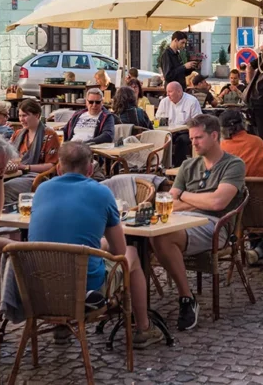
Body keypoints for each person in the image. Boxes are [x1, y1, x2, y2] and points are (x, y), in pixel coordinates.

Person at [24, 143, 162, 347]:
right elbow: (119, 251)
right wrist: (102, 245)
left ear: (59, 169)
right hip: (84, 287)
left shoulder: (42, 189)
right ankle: (143, 327)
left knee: (71, 250)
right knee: (132, 253)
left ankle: (62, 325)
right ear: (90, 169)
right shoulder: (101, 193)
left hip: (41, 285)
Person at [149, 114, 246, 331]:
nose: (193, 142)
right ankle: (137, 305)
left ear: (214, 136)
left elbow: (218, 203)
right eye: (192, 138)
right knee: (138, 237)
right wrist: (199, 200)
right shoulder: (188, 165)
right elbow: (170, 201)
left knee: (161, 237)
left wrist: (185, 196)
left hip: (216, 226)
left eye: (198, 138)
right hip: (180, 220)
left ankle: (186, 298)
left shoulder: (234, 165)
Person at [218, 109, 263, 266]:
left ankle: (255, 251)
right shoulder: (256, 141)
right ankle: (260, 251)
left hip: (241, 214)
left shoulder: (221, 150)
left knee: (252, 202)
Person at [5, 98, 60, 205]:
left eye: (25, 115)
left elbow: (52, 165)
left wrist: (25, 167)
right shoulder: (18, 133)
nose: (21, 119)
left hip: (37, 177)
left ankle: (9, 215)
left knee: (6, 188)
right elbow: (8, 155)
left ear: (37, 115)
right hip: (15, 173)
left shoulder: (49, 135)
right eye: (20, 115)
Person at [156, 81, 203, 162]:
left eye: (170, 92)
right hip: (168, 131)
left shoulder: (191, 101)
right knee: (159, 138)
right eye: (167, 92)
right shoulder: (164, 101)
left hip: (186, 131)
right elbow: (158, 119)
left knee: (181, 141)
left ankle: (179, 166)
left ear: (179, 91)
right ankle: (160, 164)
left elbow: (198, 121)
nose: (167, 94)